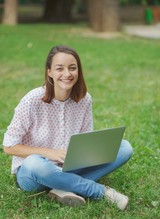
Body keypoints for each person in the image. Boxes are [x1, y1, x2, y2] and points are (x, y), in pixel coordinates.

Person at [3, 45, 133, 210]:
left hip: (69, 165)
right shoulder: (31, 100)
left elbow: (86, 139)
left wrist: (88, 152)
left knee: (125, 147)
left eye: (72, 68)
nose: (67, 74)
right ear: (49, 71)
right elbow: (9, 146)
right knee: (34, 163)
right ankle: (100, 192)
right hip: (34, 173)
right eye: (59, 69)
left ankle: (61, 187)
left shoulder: (84, 99)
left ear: (78, 71)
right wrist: (49, 153)